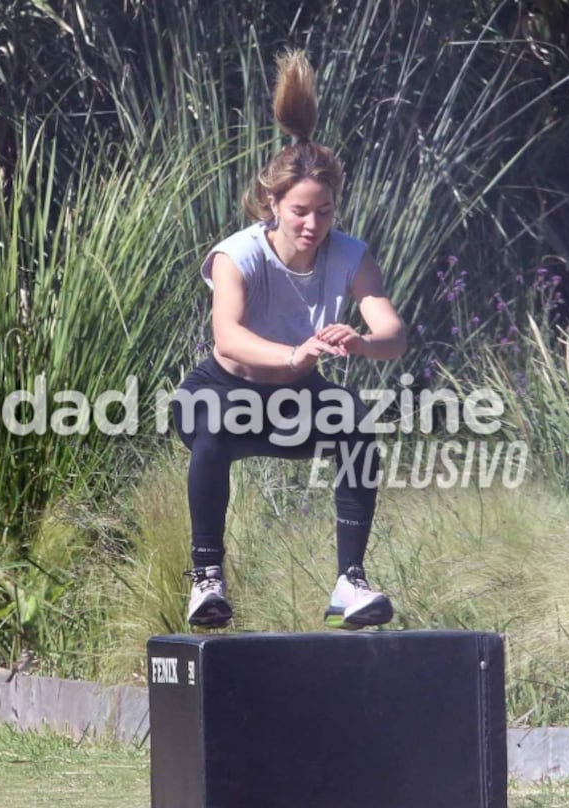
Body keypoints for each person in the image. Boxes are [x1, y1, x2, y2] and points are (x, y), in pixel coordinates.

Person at [173, 50, 406, 629]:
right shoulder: (239, 253)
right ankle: (206, 580)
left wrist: (361, 342)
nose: (312, 225)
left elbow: (393, 333)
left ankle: (349, 583)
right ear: (271, 204)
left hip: (296, 402)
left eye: (324, 212)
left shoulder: (350, 254)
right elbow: (226, 338)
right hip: (225, 390)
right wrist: (295, 353)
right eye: (300, 210)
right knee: (210, 424)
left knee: (353, 418)